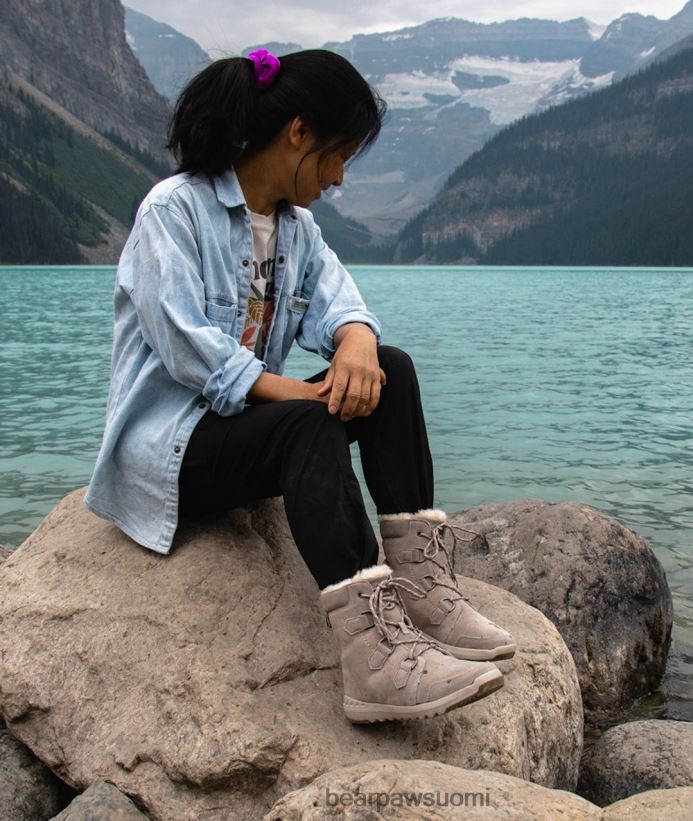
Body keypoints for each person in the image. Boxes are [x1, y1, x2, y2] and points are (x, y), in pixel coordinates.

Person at [84, 48, 515, 723]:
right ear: (298, 132)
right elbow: (188, 348)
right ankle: (375, 661)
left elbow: (341, 305)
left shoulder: (296, 229)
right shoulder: (172, 211)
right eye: (337, 155)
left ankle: (421, 589)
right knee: (310, 422)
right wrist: (304, 395)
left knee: (392, 370)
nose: (339, 177)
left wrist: (358, 341)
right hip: (172, 451)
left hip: (248, 434)